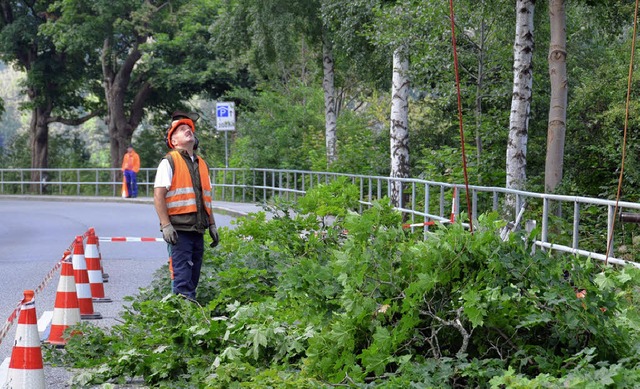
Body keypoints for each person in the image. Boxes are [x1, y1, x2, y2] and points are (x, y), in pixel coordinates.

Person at [153, 111, 219, 300]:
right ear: (173, 141)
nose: (188, 130)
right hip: (179, 230)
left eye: (189, 128)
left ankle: (187, 316)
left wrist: (212, 225)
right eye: (182, 130)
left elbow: (206, 199)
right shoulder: (169, 162)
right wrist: (166, 226)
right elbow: (158, 196)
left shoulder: (201, 164)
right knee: (182, 280)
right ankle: (183, 320)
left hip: (198, 229)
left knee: (193, 278)